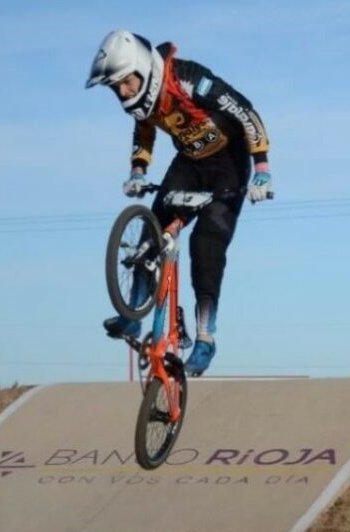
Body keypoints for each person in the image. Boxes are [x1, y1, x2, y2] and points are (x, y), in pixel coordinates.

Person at [86, 30, 273, 375]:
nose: (123, 93)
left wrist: (262, 168)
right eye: (117, 89)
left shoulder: (187, 80)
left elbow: (246, 112)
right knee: (151, 231)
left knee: (206, 246)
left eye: (126, 83)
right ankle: (133, 315)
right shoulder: (144, 98)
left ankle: (205, 337)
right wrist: (138, 171)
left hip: (228, 165)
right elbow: (144, 130)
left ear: (142, 68)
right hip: (189, 162)